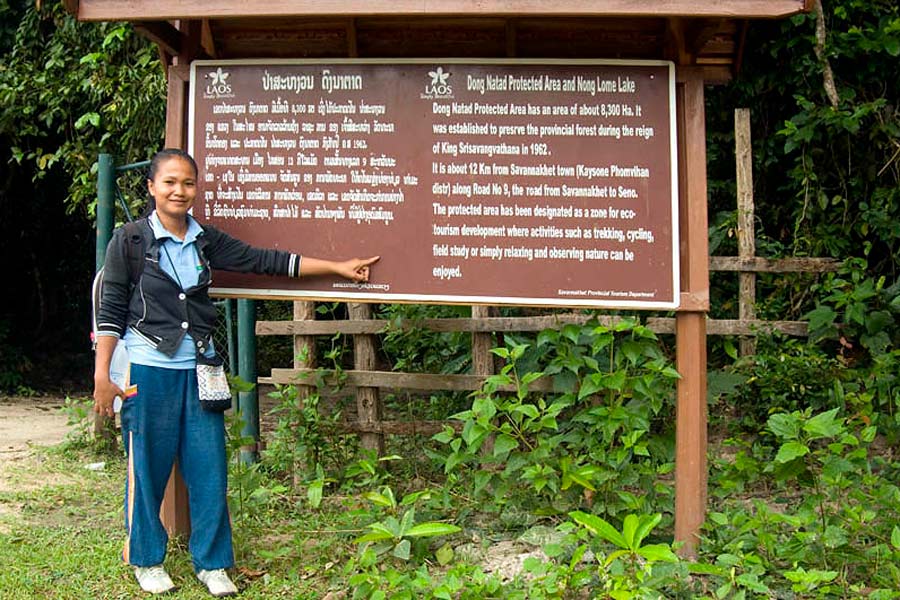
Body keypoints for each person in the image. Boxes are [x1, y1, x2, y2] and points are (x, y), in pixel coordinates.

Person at [93, 148, 379, 596]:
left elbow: (268, 260)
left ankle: (212, 564)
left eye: (187, 183)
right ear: (151, 187)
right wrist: (101, 376)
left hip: (203, 370)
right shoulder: (129, 241)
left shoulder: (205, 240)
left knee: (209, 468)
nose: (178, 191)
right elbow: (110, 311)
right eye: (169, 182)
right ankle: (147, 560)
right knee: (147, 468)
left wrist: (337, 267)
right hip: (147, 371)